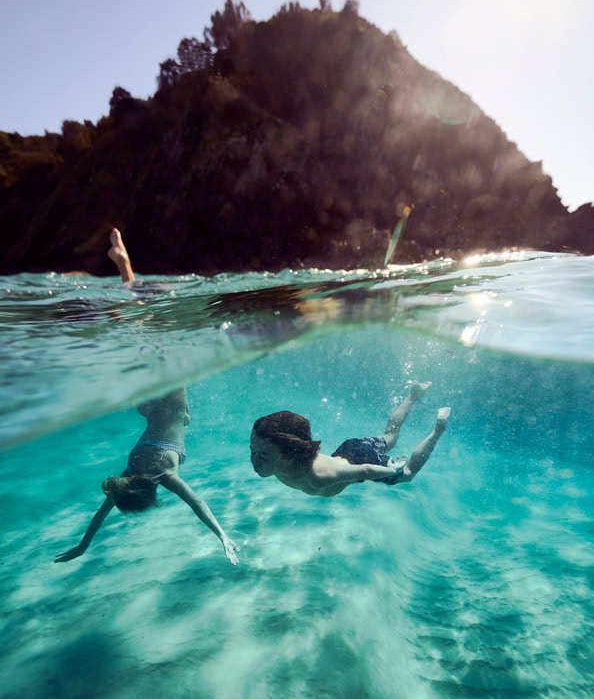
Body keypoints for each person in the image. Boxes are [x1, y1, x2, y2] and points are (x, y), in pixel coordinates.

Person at [54, 229, 239, 565]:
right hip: (152, 406)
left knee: (150, 331)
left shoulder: (164, 476)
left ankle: (124, 274)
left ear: (148, 493)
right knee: (140, 337)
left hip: (170, 398)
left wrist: (223, 536)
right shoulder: (128, 473)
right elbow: (101, 514)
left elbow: (199, 504)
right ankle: (123, 272)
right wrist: (84, 545)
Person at [250, 382, 450, 497]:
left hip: (363, 459)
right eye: (253, 451)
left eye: (264, 455)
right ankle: (413, 395)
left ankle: (438, 429)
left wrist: (393, 469)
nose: (255, 461)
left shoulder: (317, 476)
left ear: (288, 452)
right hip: (349, 449)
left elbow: (366, 470)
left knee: (407, 474)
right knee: (391, 436)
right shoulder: (277, 462)